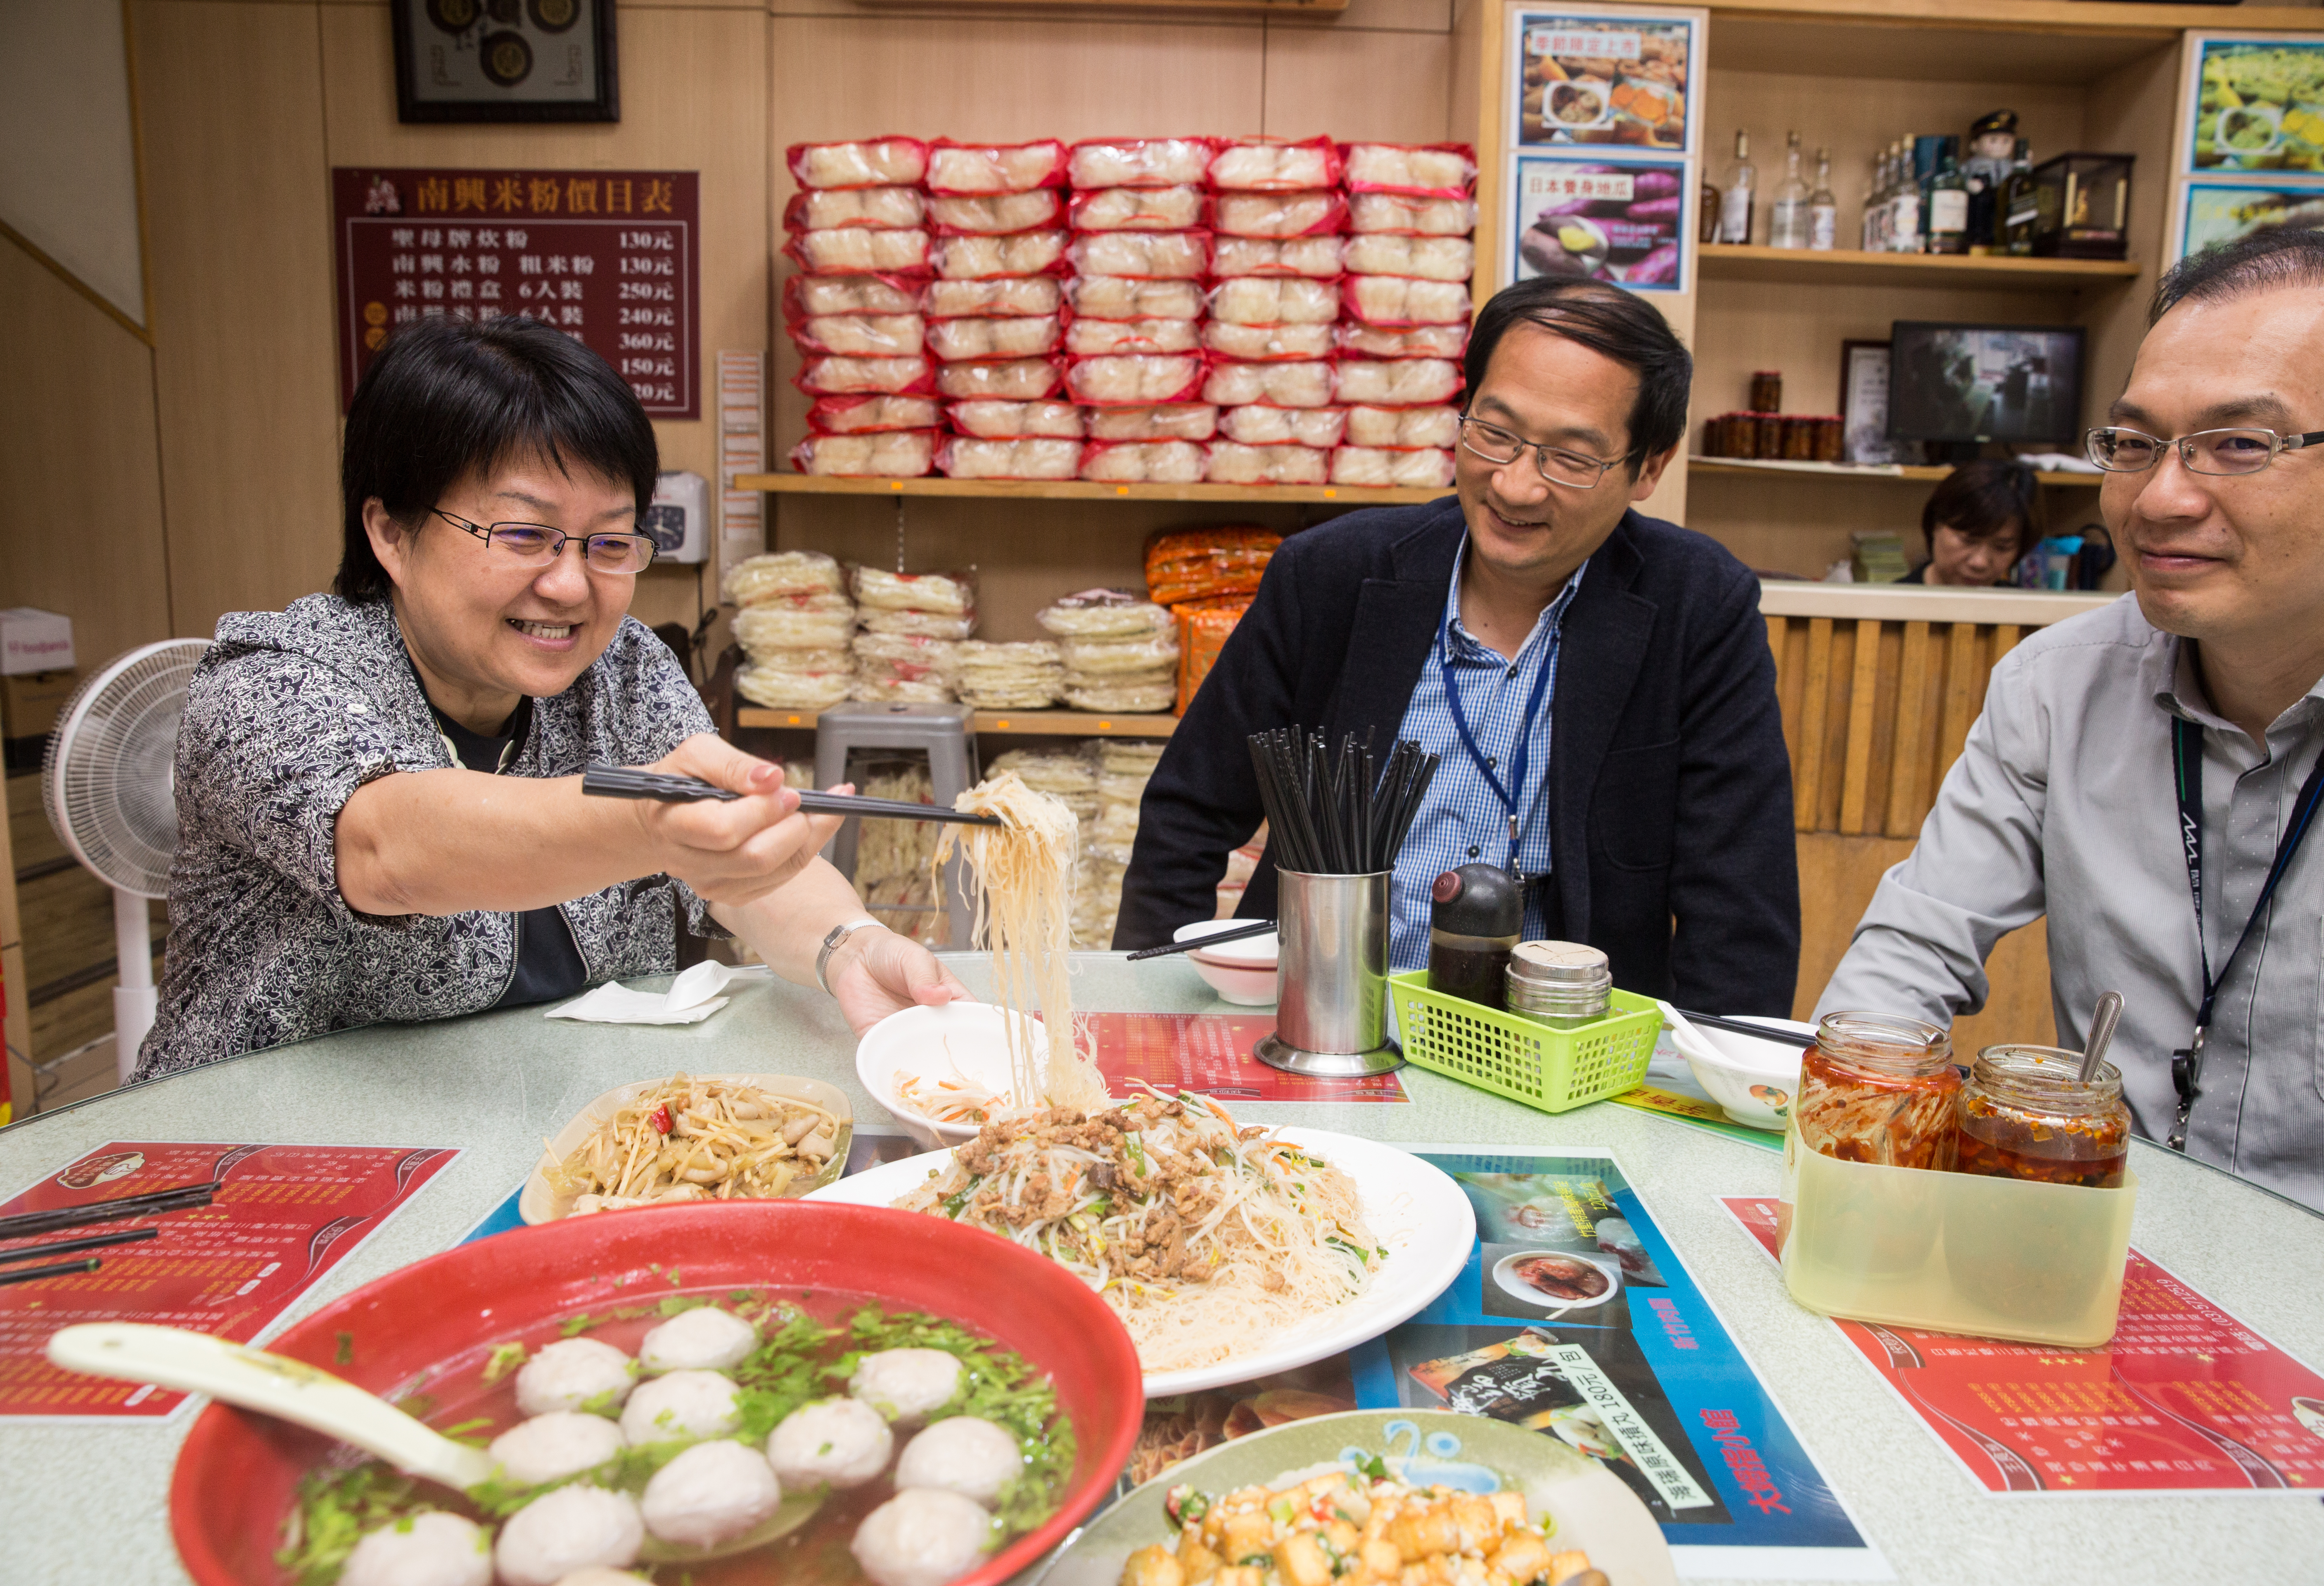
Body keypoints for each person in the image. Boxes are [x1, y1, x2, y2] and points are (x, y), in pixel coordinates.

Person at [136, 317, 964, 1080]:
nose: (570, 584)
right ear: (391, 532)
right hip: (263, 1168)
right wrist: (648, 823)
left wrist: (847, 945)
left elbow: (738, 872)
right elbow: (390, 849)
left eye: (609, 543)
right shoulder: (266, 681)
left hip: (542, 1131)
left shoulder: (623, 669)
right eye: (524, 535)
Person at [1820, 230, 2324, 1231]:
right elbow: (1909, 951)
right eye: (2131, 443)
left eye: (2240, 444)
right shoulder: (2056, 686)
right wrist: (1846, 1134)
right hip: (2095, 1259)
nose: (2159, 497)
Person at [1116, 279, 1800, 1014]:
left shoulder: (1697, 608)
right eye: (1494, 433)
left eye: (1569, 459)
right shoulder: (1334, 576)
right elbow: (1188, 814)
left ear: (1650, 468)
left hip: (1569, 1062)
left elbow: (1738, 905)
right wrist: (1140, 1012)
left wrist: (1706, 1103)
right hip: (1323, 1022)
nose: (1514, 486)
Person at [1897, 459, 2039, 586]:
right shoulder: (1884, 610)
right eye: (1968, 541)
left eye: (2002, 548)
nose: (1980, 563)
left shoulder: (2026, 612)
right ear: (1935, 525)